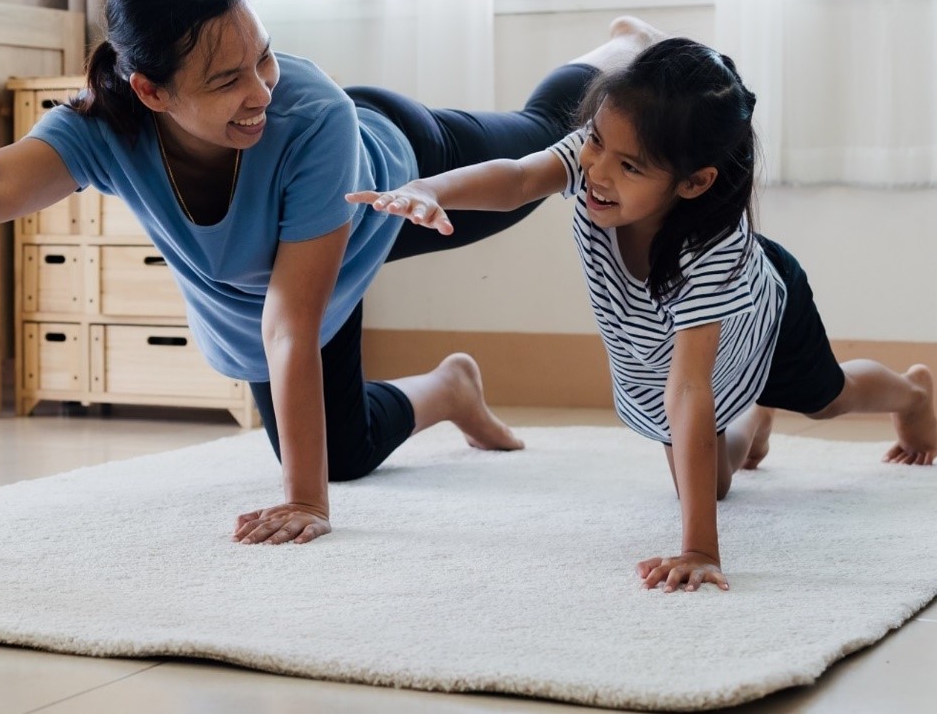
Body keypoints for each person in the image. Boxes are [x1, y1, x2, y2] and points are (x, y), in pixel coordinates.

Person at [0, 0, 655, 546]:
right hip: (296, 268)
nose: (258, 91)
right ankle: (450, 386)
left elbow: (292, 316)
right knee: (341, 452)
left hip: (392, 175)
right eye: (227, 79)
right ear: (150, 90)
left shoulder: (309, 116)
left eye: (263, 59)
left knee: (549, 147)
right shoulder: (104, 129)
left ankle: (614, 48)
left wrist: (301, 504)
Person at [348, 37, 937, 588]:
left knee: (828, 398)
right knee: (718, 485)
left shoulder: (712, 252)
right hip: (670, 356)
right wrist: (430, 189)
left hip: (763, 320)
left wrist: (701, 551)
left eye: (630, 167)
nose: (598, 171)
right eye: (595, 142)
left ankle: (911, 395)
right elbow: (519, 177)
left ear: (694, 182)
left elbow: (688, 390)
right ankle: (754, 413)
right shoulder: (593, 161)